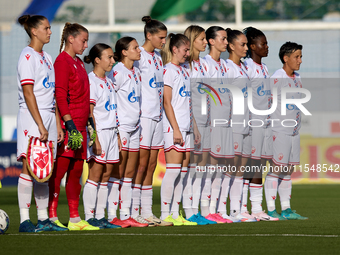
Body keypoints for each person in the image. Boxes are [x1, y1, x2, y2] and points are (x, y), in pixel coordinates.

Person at [16, 15, 67, 232]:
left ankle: (44, 220)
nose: (50, 31)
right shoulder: (27, 56)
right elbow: (29, 93)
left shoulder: (46, 56)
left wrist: (55, 123)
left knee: (45, 170)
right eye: (46, 28)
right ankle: (25, 221)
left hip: (47, 116)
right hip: (31, 117)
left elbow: (51, 94)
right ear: (34, 31)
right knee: (29, 168)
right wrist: (40, 124)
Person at [48, 22, 99, 231]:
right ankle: (50, 217)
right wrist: (68, 125)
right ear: (71, 38)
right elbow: (59, 95)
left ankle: (75, 218)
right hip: (69, 127)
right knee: (59, 172)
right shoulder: (62, 62)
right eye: (83, 40)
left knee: (77, 171)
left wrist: (88, 123)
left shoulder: (78, 62)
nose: (85, 45)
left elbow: (84, 96)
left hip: (80, 125)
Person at [131, 16, 172, 226]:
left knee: (152, 165)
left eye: (164, 38)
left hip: (157, 117)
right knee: (141, 165)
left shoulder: (157, 57)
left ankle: (147, 212)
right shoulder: (138, 56)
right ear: (149, 35)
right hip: (144, 117)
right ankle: (134, 210)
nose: (164, 42)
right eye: (161, 38)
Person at [107, 36, 150, 227]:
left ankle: (125, 214)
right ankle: (110, 215)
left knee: (129, 173)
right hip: (122, 128)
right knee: (118, 171)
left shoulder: (136, 71)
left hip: (135, 127)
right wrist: (116, 129)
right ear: (124, 52)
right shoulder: (117, 71)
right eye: (135, 48)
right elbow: (111, 98)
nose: (139, 50)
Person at [265, 42, 308, 220]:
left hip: (293, 131)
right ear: (286, 58)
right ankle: (270, 209)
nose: (300, 60)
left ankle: (287, 209)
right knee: (276, 169)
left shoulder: (297, 77)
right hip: (279, 130)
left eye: (300, 57)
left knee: (288, 170)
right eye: (297, 57)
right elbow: (266, 104)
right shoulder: (276, 78)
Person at [160, 33, 199, 226]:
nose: (188, 53)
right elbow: (167, 102)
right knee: (173, 171)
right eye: (185, 50)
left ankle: (176, 214)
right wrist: (175, 129)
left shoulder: (185, 70)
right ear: (174, 49)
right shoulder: (168, 70)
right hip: (173, 128)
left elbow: (188, 101)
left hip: (187, 126)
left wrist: (195, 127)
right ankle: (164, 213)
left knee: (183, 173)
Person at [82, 43, 121, 229]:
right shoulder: (91, 81)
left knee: (106, 176)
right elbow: (89, 113)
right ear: (97, 60)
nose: (113, 61)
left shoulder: (110, 80)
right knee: (95, 175)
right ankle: (89, 216)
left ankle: (100, 216)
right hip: (100, 133)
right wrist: (94, 137)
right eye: (109, 57)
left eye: (113, 57)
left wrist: (118, 134)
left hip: (112, 132)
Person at [180, 25, 217, 225]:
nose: (205, 42)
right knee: (191, 168)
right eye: (201, 39)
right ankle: (189, 211)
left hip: (207, 120)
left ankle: (201, 211)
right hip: (192, 122)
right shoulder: (185, 66)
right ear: (192, 40)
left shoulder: (203, 64)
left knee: (203, 168)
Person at [242, 27, 278, 221]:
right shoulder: (247, 66)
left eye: (266, 43)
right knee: (252, 165)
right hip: (252, 123)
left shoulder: (263, 68)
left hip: (264, 123)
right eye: (262, 44)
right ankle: (253, 208)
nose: (266, 47)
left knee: (259, 165)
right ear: (252, 46)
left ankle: (253, 208)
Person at [224, 28, 256, 222]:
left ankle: (239, 209)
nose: (246, 48)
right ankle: (226, 210)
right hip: (233, 124)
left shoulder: (244, 67)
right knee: (231, 168)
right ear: (231, 46)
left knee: (242, 169)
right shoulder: (227, 67)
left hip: (246, 122)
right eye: (242, 44)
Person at [202, 26, 233, 223]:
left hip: (225, 122)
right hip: (211, 123)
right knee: (209, 168)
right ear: (211, 41)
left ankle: (215, 210)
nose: (226, 42)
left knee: (220, 168)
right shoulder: (205, 64)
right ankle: (205, 210)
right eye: (222, 38)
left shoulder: (223, 65)